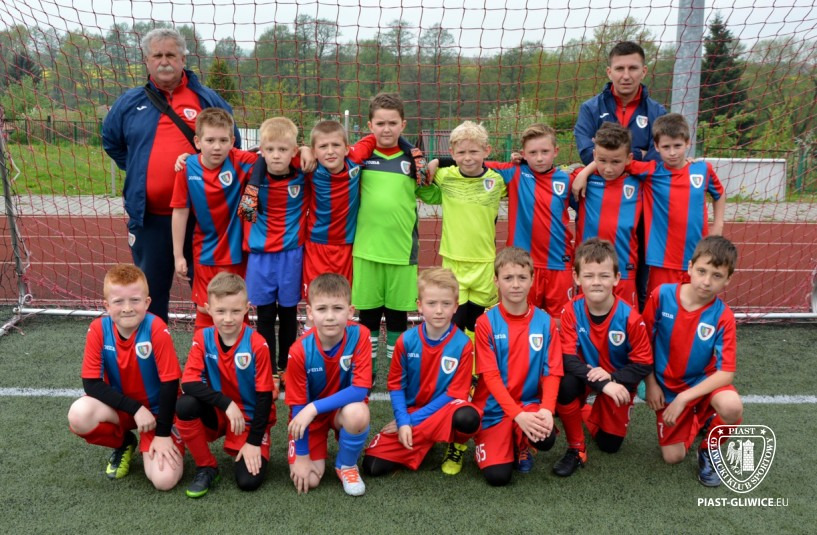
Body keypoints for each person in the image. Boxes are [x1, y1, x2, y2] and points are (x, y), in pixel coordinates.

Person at [102, 28, 240, 323]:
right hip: (150, 218)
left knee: (215, 295)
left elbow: (234, 145)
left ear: (183, 59)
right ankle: (154, 348)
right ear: (146, 60)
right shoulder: (129, 103)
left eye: (170, 55)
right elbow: (111, 142)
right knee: (150, 294)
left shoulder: (207, 99)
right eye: (157, 55)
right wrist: (140, 170)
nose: (164, 61)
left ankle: (215, 348)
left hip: (203, 220)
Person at [67, 264, 184, 490]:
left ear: (147, 303)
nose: (127, 308)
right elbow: (91, 384)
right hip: (123, 410)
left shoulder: (156, 328)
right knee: (79, 414)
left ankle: (164, 438)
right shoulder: (98, 329)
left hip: (158, 414)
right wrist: (136, 409)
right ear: (107, 305)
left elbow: (170, 383)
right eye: (119, 301)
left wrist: (162, 434)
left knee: (164, 481)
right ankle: (125, 442)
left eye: (135, 300)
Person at [642, 236, 743, 487]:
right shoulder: (662, 295)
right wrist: (651, 383)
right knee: (673, 457)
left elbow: (726, 373)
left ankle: (709, 449)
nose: (706, 281)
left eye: (717, 276)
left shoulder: (723, 317)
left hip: (702, 382)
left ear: (728, 279)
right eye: (702, 271)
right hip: (667, 385)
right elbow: (642, 344)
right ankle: (702, 419)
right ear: (690, 267)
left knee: (731, 407)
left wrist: (684, 398)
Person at [362, 268, 481, 477]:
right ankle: (425, 440)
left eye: (446, 304)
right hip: (413, 411)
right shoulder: (406, 341)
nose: (439, 310)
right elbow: (396, 386)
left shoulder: (463, 344)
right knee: (372, 466)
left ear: (456, 306)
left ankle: (455, 446)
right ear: (419, 305)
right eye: (431, 303)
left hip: (444, 412)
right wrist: (402, 420)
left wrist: (409, 421)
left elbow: (454, 394)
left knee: (468, 417)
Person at [351, 92, 437, 380]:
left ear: (403, 124)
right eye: (380, 123)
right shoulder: (360, 159)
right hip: (366, 251)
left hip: (402, 253)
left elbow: (432, 194)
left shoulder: (413, 162)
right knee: (368, 317)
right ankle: (368, 372)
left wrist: (439, 169)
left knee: (398, 317)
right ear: (370, 125)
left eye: (392, 123)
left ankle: (395, 374)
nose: (386, 129)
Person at [552, 239, 653, 477]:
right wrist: (603, 383)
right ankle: (576, 448)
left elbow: (643, 363)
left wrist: (613, 378)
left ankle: (584, 411)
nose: (596, 282)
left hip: (616, 380)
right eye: (589, 275)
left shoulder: (630, 318)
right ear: (577, 278)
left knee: (610, 445)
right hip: (586, 376)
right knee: (565, 384)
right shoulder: (570, 310)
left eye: (604, 275)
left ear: (617, 278)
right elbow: (566, 357)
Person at [175, 272, 276, 497]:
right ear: (208, 309)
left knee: (248, 481)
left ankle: (252, 443)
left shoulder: (257, 344)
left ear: (246, 309)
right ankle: (206, 466)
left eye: (235, 311)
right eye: (220, 311)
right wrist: (226, 404)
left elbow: (264, 397)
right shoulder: (202, 338)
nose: (228, 318)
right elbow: (189, 382)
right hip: (219, 412)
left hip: (249, 419)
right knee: (185, 405)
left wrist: (253, 441)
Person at [471, 247, 563, 486]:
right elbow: (490, 377)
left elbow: (552, 371)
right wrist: (517, 415)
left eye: (522, 277)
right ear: (496, 281)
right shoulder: (485, 323)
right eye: (508, 278)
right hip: (493, 408)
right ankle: (497, 437)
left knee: (546, 438)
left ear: (532, 280)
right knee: (498, 477)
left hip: (528, 403)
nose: (515, 284)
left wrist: (546, 410)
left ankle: (521, 442)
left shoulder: (545, 322)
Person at [286, 273, 373, 497]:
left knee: (358, 413)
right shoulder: (299, 350)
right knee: (310, 479)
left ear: (350, 311)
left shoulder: (360, 335)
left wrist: (313, 408)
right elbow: (298, 406)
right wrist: (302, 455)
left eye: (338, 308)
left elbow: (360, 389)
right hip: (309, 418)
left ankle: (346, 466)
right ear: (310, 313)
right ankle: (310, 449)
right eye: (322, 309)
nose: (330, 316)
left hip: (337, 411)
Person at [170, 108, 257, 329]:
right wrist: (178, 255)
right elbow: (180, 212)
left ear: (232, 142)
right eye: (210, 140)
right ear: (197, 142)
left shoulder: (242, 161)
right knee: (205, 307)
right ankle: (203, 349)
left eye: (223, 140)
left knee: (237, 307)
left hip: (238, 253)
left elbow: (275, 156)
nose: (217, 146)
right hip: (205, 251)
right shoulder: (187, 168)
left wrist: (303, 151)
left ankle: (241, 349)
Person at [237, 117, 308, 376]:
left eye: (283, 149)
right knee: (265, 315)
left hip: (291, 256)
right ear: (261, 150)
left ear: (293, 151)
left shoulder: (303, 172)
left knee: (288, 314)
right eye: (270, 149)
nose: (276, 155)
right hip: (260, 257)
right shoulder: (249, 170)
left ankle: (286, 366)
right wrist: (185, 157)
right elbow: (246, 213)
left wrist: (307, 150)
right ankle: (269, 370)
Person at [482, 124, 574, 320]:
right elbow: (475, 162)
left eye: (545, 151)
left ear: (556, 151)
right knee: (521, 319)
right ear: (523, 154)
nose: (539, 158)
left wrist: (586, 170)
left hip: (558, 263)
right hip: (521, 265)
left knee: (561, 322)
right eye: (532, 153)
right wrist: (437, 163)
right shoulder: (514, 172)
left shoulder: (567, 180)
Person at [424, 121, 508, 337]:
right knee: (453, 322)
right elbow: (422, 178)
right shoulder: (445, 176)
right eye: (461, 152)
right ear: (452, 153)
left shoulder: (497, 180)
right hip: (453, 262)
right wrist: (435, 162)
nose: (468, 158)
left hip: (485, 263)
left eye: (474, 151)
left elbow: (519, 173)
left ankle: (476, 359)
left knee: (479, 325)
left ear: (486, 151)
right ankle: (455, 357)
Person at [572, 122, 642, 305]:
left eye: (616, 162)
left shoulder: (641, 183)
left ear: (629, 158)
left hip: (624, 271)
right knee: (585, 319)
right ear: (594, 156)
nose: (608, 169)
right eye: (602, 161)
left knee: (624, 320)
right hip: (588, 271)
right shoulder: (583, 180)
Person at [574, 40, 667, 166]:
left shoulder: (658, 113)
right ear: (609, 72)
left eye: (633, 68)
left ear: (644, 72)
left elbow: (657, 158)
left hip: (643, 179)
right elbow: (587, 154)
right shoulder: (590, 109)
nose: (626, 76)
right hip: (601, 179)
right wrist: (638, 154)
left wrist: (606, 154)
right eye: (619, 69)